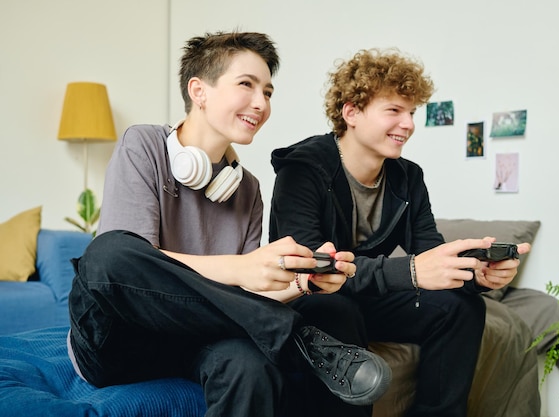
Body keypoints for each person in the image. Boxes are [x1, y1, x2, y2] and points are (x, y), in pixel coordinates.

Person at [66, 32, 392, 417]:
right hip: (120, 338)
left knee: (258, 361)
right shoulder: (143, 145)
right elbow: (125, 278)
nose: (261, 103)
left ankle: (295, 337)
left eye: (268, 92)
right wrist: (243, 268)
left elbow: (240, 300)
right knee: (108, 252)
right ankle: (298, 337)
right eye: (247, 85)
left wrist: (302, 282)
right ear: (199, 91)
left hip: (192, 335)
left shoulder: (247, 189)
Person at [269, 48, 532, 417]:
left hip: (367, 294)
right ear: (352, 112)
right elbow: (311, 267)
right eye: (393, 110)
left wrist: (479, 275)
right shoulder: (303, 169)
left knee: (462, 307)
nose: (408, 124)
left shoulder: (408, 177)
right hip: (311, 296)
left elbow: (432, 255)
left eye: (411, 113)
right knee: (339, 311)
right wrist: (408, 271)